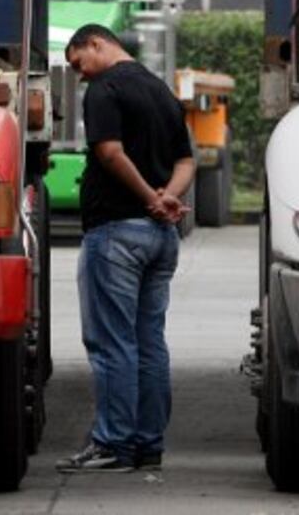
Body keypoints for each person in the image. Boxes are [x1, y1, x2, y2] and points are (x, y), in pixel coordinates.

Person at [56, 24, 195, 473]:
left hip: (116, 231)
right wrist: (168, 197)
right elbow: (186, 160)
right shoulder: (161, 91)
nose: (80, 74)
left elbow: (110, 153)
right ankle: (147, 444)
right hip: (160, 237)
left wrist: (151, 198)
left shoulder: (104, 89)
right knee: (149, 341)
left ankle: (113, 443)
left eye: (78, 62)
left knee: (112, 342)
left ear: (96, 43)